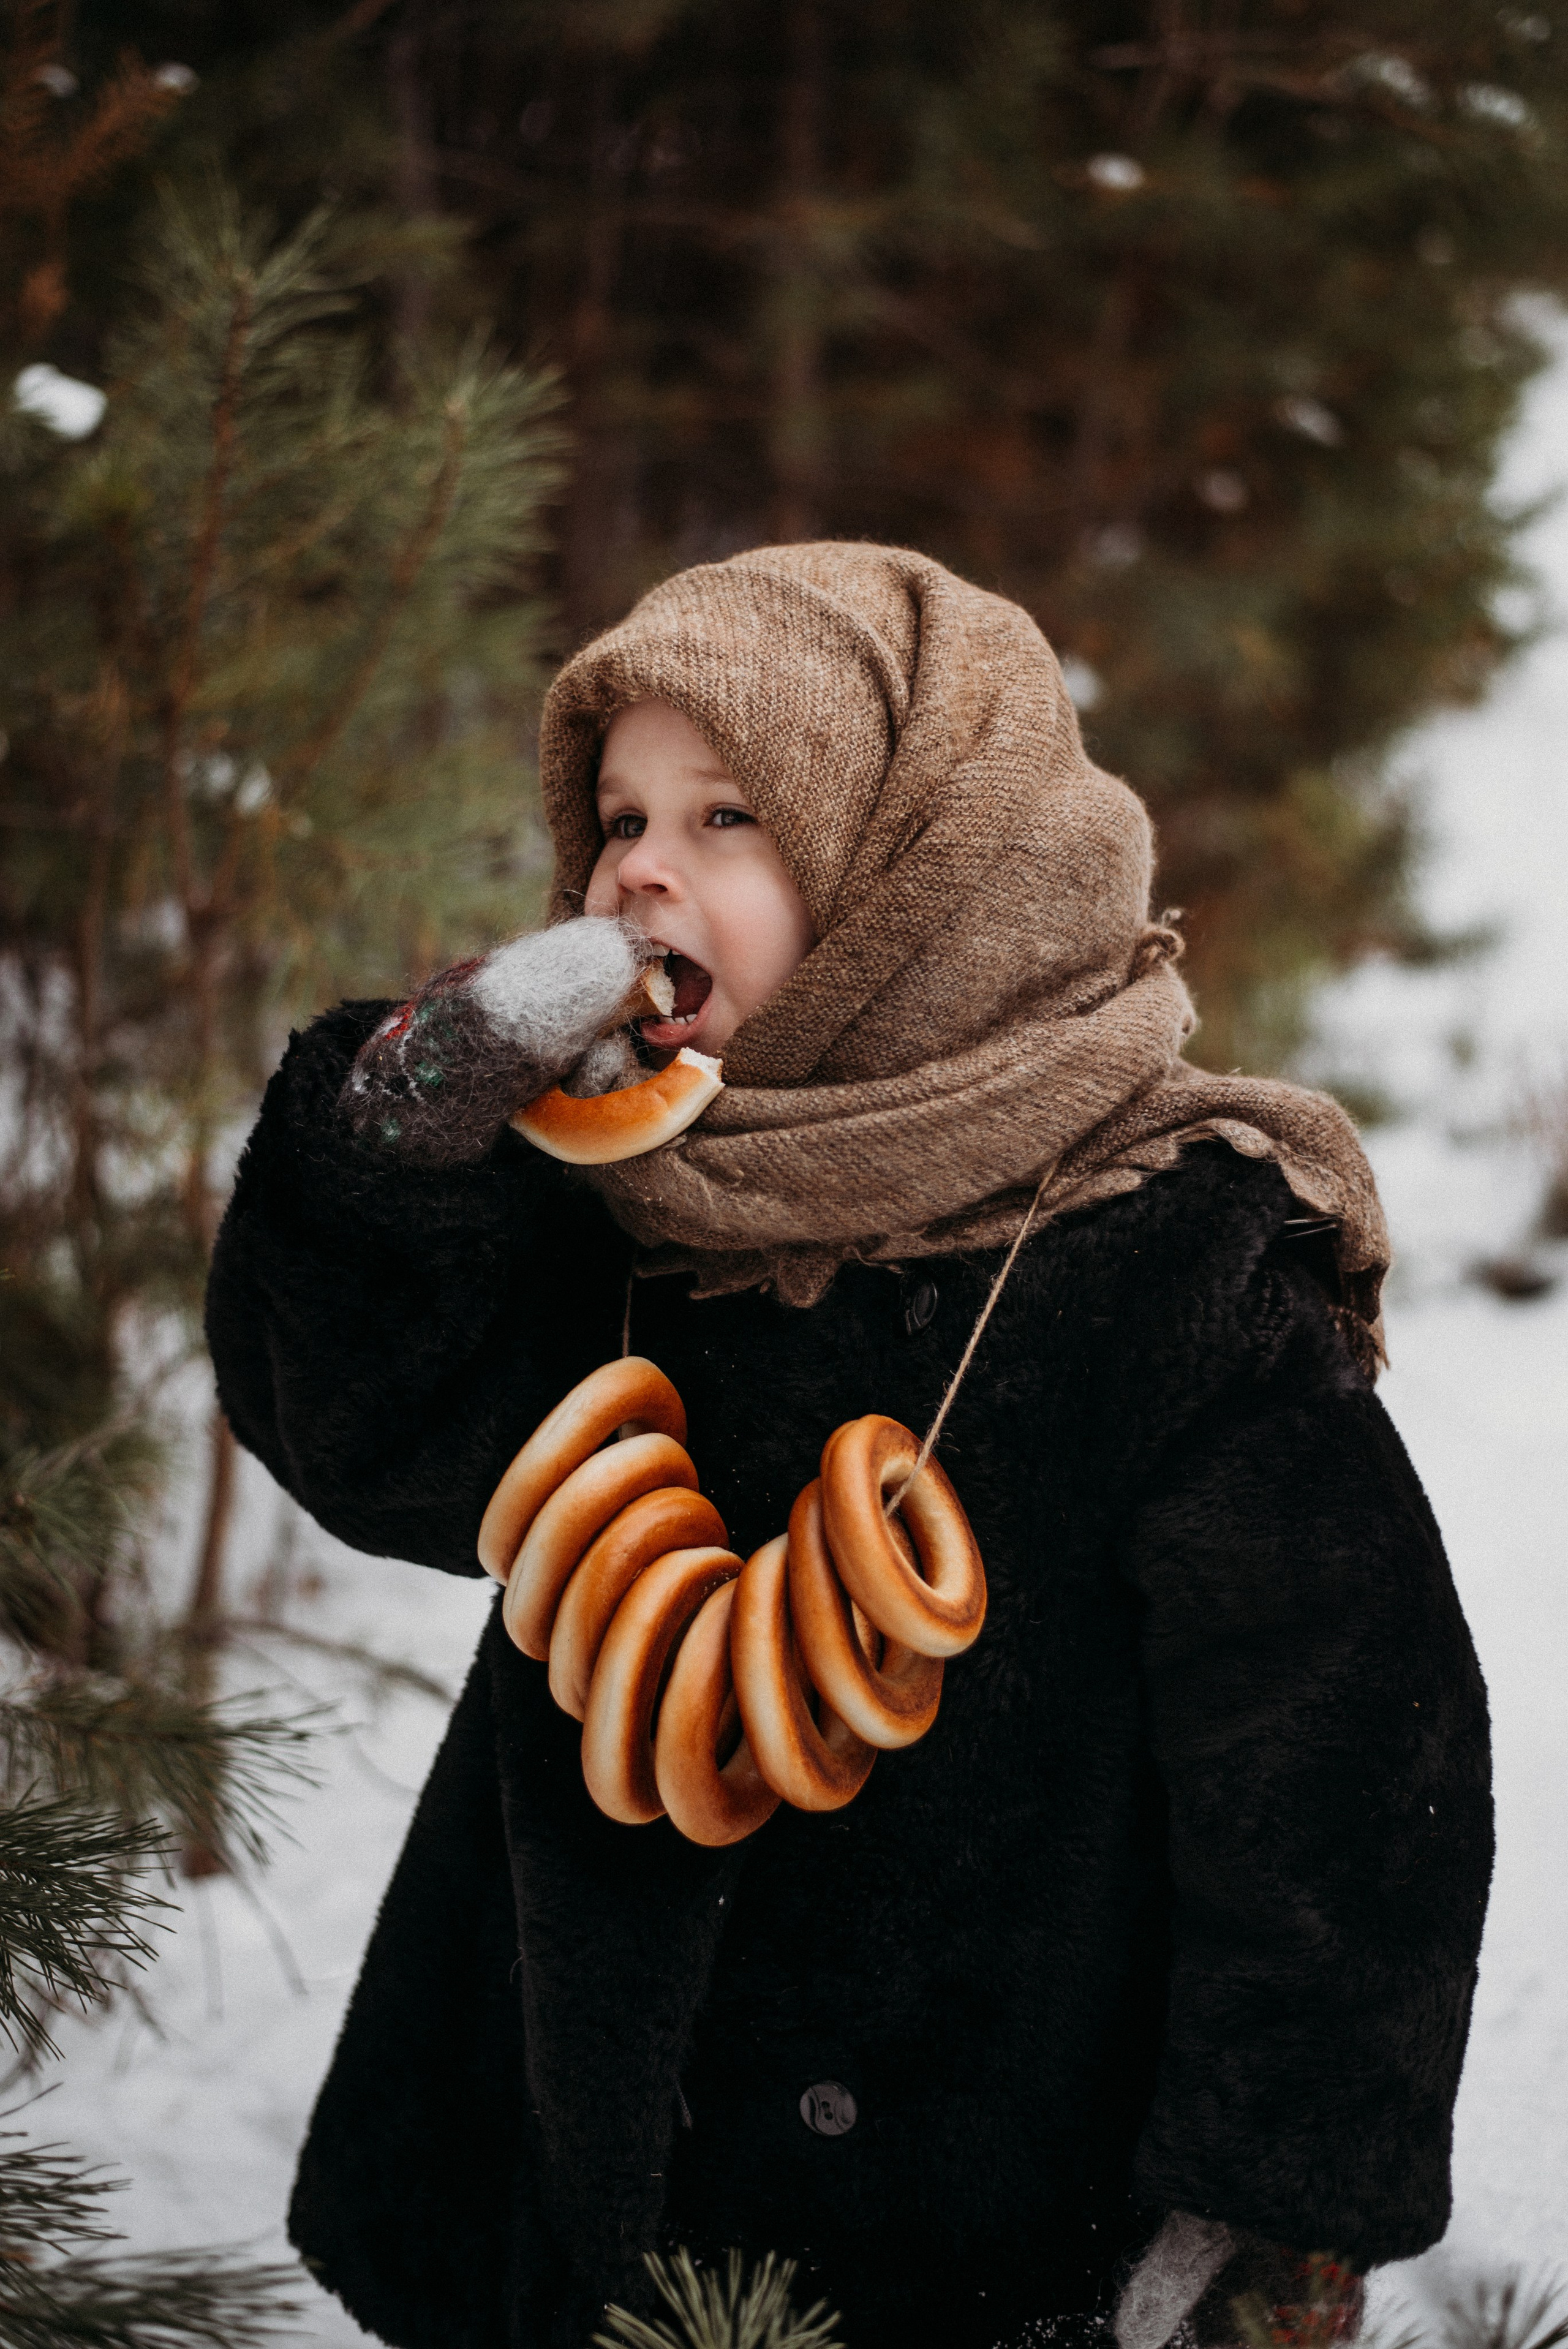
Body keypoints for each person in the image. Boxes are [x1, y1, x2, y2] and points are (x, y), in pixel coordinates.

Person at [205, 543, 1493, 2349]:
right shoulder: (619, 1208)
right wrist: (409, 1133)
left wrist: (1271, 2209)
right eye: (619, 813)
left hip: (1002, 2222)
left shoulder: (1171, 1267)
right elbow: (361, 1435)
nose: (640, 865)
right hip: (591, 2169)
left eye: (727, 812)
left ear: (926, 866)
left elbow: (1349, 1778)